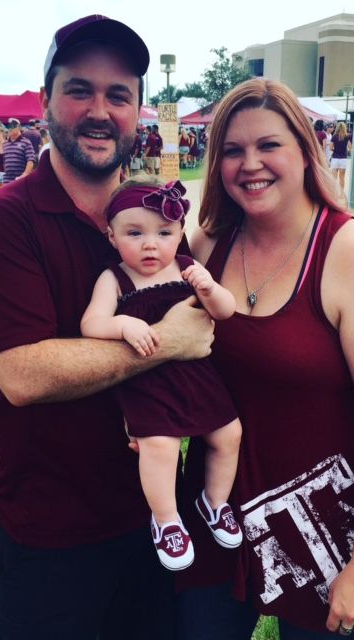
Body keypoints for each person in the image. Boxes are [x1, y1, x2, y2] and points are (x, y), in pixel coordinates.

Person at [0, 14, 215, 639]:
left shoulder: (160, 220)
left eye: (119, 95)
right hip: (52, 536)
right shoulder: (1, 222)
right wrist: (166, 344)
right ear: (46, 100)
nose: (100, 111)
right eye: (79, 90)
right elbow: (21, 374)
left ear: (139, 112)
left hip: (158, 519)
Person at [176, 78, 354, 640]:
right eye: (233, 150)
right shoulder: (207, 246)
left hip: (321, 523)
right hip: (217, 509)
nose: (250, 164)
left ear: (304, 151)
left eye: (269, 145)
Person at [81, 177, 243, 571]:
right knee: (160, 448)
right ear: (112, 235)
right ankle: (167, 519)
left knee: (229, 433)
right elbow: (91, 323)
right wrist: (122, 326)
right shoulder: (114, 278)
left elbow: (225, 311)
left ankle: (215, 501)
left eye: (164, 232)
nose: (150, 244)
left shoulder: (187, 267)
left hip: (196, 374)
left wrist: (209, 289)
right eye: (134, 233)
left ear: (179, 233)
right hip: (148, 382)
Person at [2, 118, 35, 183]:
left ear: (19, 127)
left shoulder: (26, 142)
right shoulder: (5, 143)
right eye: (7, 127)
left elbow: (31, 160)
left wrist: (25, 174)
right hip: (7, 179)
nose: (9, 129)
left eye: (12, 126)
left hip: (20, 179)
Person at [329, 121, 351, 191]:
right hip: (343, 158)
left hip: (335, 158)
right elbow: (350, 147)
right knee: (342, 177)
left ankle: (334, 191)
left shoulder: (334, 136)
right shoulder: (346, 136)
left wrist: (334, 149)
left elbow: (330, 147)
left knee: (334, 177)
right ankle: (341, 192)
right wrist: (346, 150)